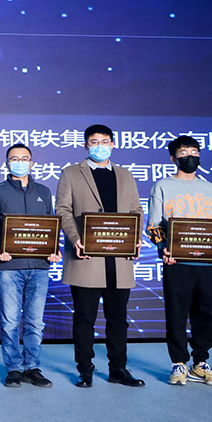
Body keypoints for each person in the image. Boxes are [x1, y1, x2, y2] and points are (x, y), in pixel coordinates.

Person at [57, 124, 145, 388]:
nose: (100, 146)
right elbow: (63, 209)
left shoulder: (125, 175)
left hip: (119, 260)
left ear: (113, 144)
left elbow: (136, 210)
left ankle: (118, 368)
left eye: (105, 141)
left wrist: (135, 238)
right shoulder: (71, 173)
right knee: (85, 318)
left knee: (118, 319)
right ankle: (85, 369)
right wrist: (76, 238)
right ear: (86, 145)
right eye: (94, 142)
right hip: (86, 257)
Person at [147, 135, 212, 386]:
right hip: (177, 263)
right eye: (183, 153)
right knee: (176, 313)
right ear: (173, 158)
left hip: (207, 264)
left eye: (194, 152)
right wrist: (163, 249)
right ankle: (179, 363)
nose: (190, 157)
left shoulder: (208, 187)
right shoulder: (163, 186)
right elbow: (153, 225)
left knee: (206, 314)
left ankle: (200, 362)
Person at [0, 143, 62, 388]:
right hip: (9, 266)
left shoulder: (43, 191)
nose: (19, 162)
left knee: (35, 322)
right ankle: (13, 368)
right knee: (10, 321)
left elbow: (50, 226)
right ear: (6, 163)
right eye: (14, 158)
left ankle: (32, 367)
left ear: (32, 162)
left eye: (24, 158)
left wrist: (54, 249)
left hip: (39, 266)